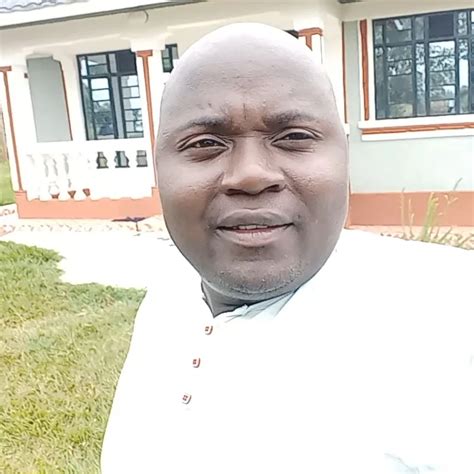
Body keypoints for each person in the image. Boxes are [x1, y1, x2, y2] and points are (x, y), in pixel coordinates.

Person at [101, 24, 474, 473]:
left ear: (345, 156)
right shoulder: (172, 293)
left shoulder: (447, 318)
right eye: (205, 143)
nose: (251, 175)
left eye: (294, 136)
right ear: (159, 166)